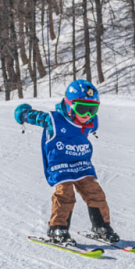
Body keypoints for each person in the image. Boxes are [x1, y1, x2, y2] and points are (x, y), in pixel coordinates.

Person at [12, 80, 120, 245]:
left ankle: (101, 226)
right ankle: (58, 227)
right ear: (69, 106)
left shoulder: (91, 122)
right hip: (60, 165)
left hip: (82, 163)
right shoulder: (54, 120)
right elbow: (36, 117)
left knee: (95, 192)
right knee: (65, 195)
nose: (87, 115)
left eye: (92, 109)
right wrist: (24, 114)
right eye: (82, 108)